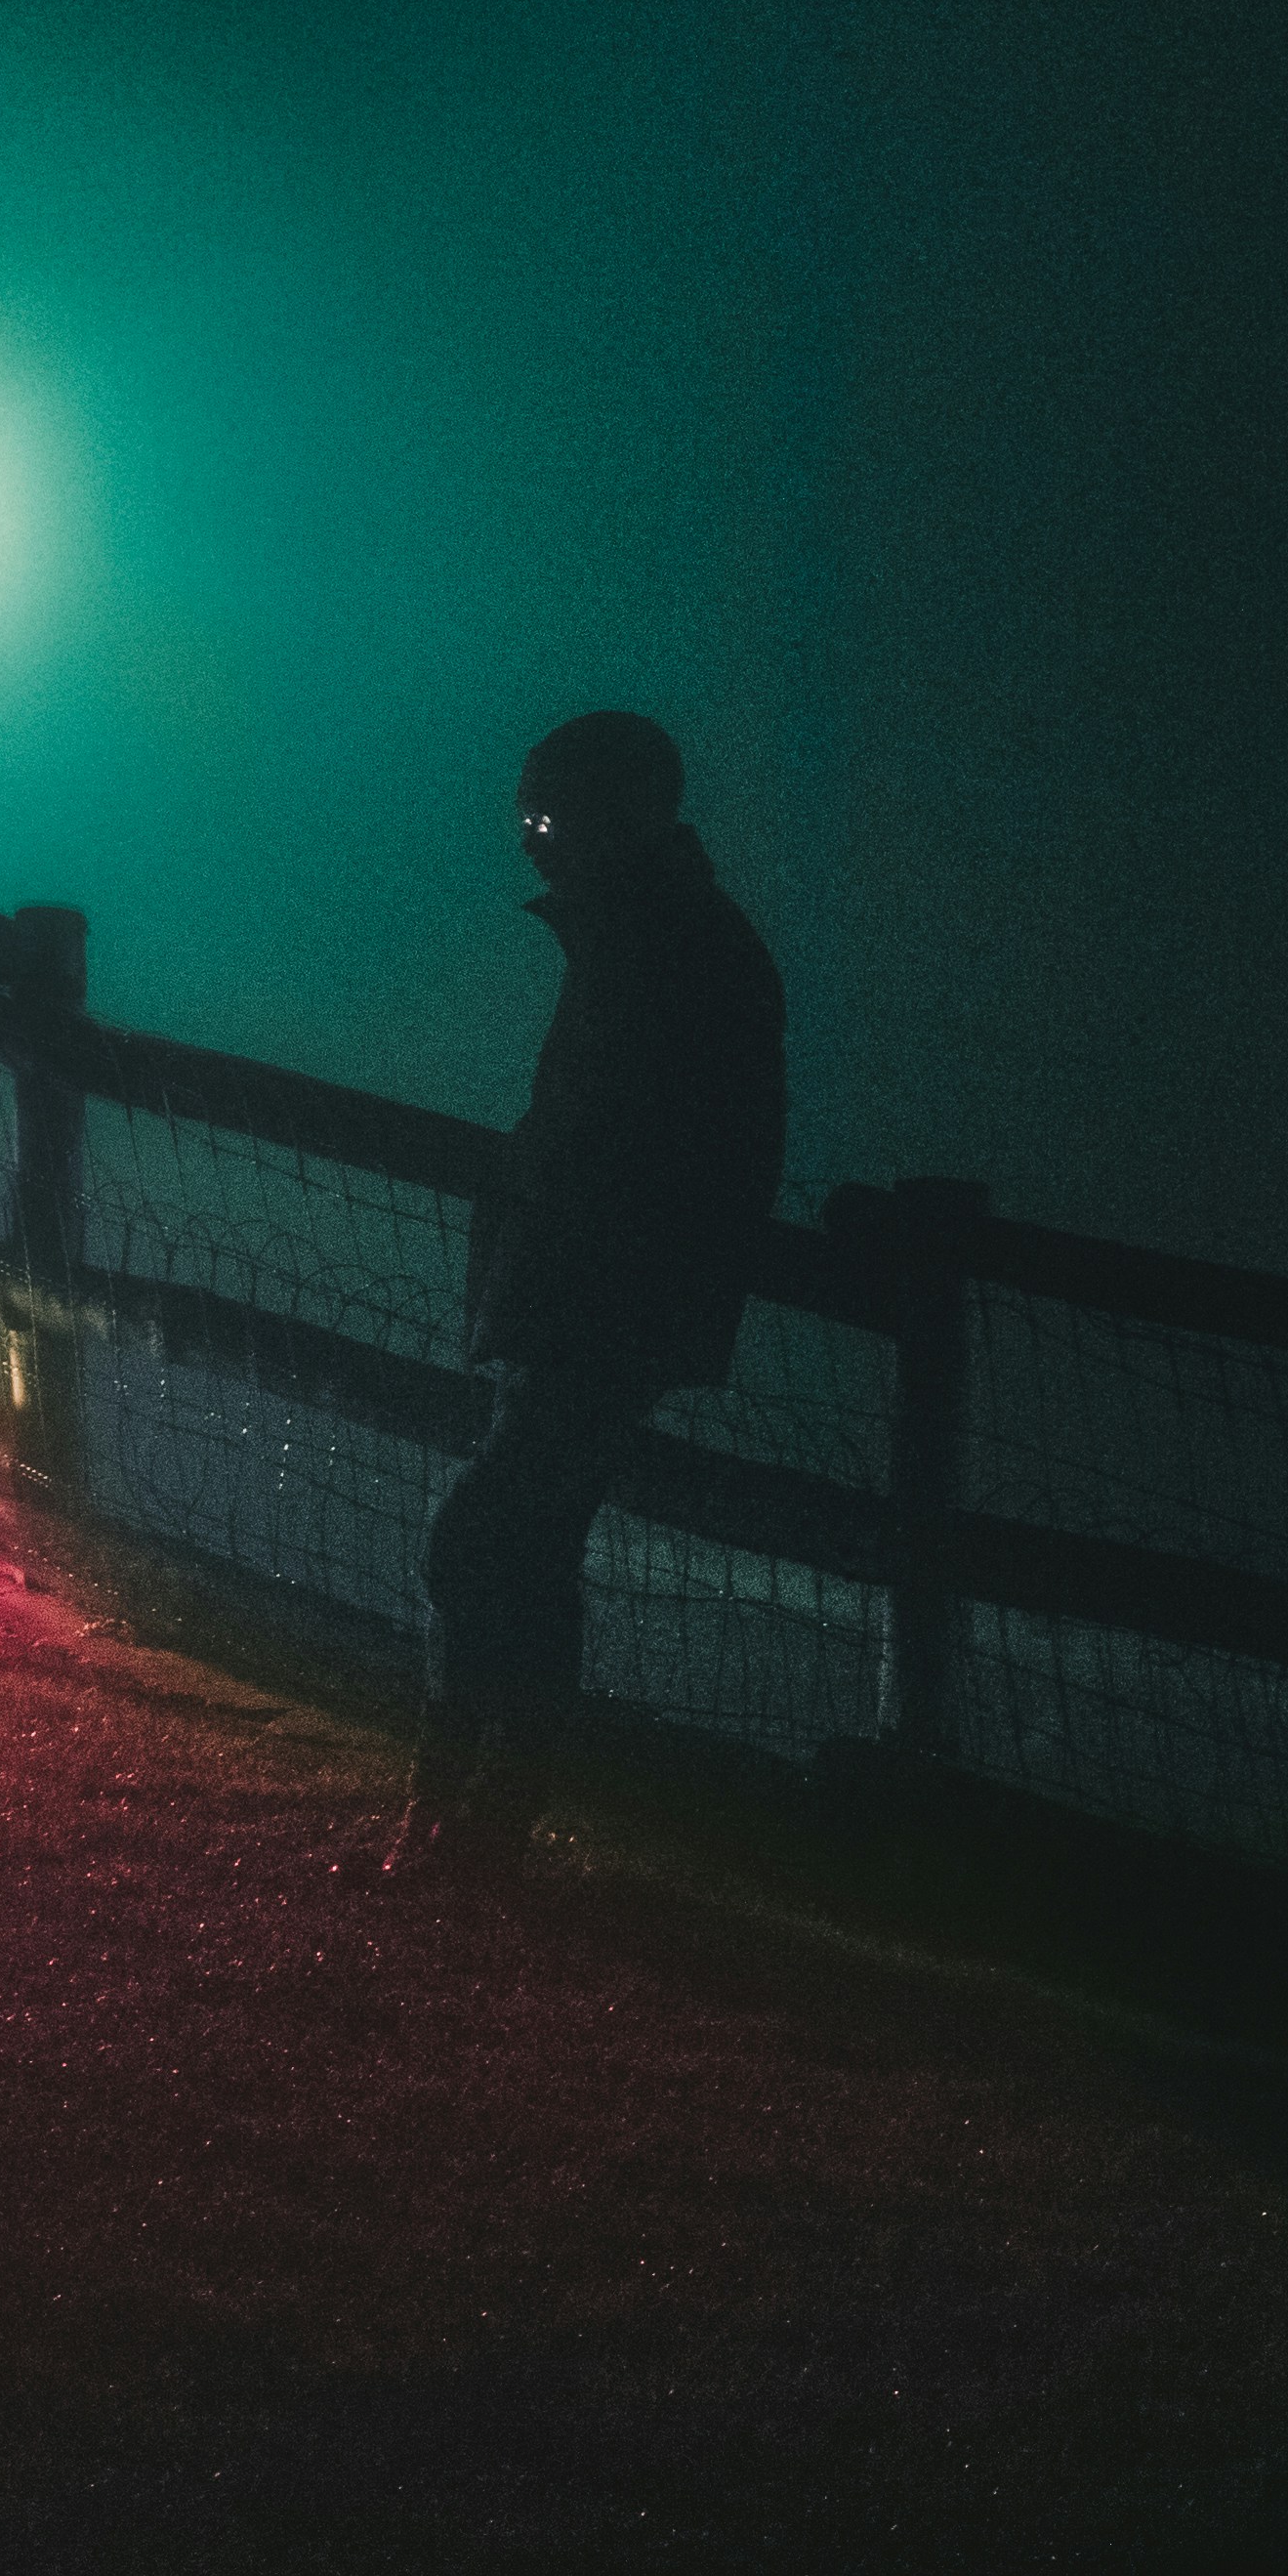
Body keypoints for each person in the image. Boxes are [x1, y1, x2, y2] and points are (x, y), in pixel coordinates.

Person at [394, 709, 786, 1871]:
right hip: (596, 1306)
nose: (531, 840)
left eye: (549, 815)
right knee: (529, 1551)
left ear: (625, 814)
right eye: (527, 816)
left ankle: (459, 1807)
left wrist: (558, 1252)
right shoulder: (670, 943)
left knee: (477, 1543)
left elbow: (659, 1159)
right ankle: (476, 1816)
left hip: (599, 1311)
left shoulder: (676, 955)